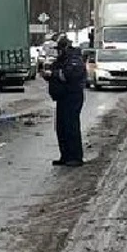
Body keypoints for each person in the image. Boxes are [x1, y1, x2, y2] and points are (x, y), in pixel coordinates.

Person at [43, 36, 85, 166]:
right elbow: (57, 73)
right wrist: (48, 75)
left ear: (65, 48)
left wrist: (53, 74)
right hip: (62, 98)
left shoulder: (74, 60)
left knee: (71, 127)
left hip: (72, 97)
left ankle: (75, 157)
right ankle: (65, 156)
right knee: (61, 128)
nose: (58, 52)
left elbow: (70, 75)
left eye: (60, 49)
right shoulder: (62, 60)